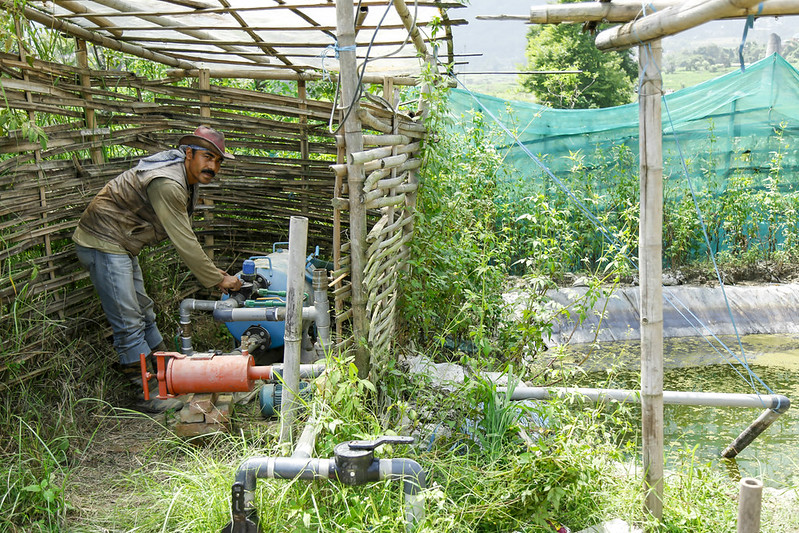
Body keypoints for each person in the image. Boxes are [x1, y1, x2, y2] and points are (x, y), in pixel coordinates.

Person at [73, 125, 243, 412]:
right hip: (103, 240)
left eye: (218, 160)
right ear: (188, 153)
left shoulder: (185, 176)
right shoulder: (168, 182)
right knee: (129, 321)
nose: (212, 166)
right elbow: (184, 240)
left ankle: (168, 375)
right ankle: (146, 393)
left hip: (121, 243)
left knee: (145, 313)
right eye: (207, 157)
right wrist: (219, 279)